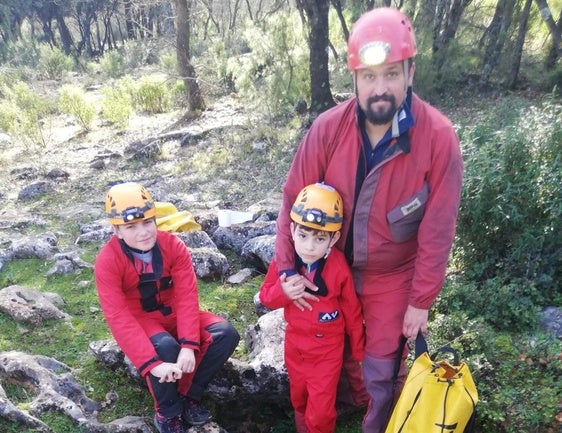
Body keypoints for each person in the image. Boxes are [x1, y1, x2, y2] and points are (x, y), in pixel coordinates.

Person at [273, 7, 464, 433]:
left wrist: (420, 301)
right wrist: (287, 270)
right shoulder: (326, 130)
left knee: (380, 366)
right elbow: (291, 202)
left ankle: (375, 423)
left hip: (392, 273)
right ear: (355, 78)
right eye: (370, 76)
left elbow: (437, 231)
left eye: (392, 74)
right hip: (328, 264)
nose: (381, 88)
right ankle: (330, 409)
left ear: (410, 73)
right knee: (326, 349)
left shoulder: (438, 139)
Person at [94, 182, 240, 433]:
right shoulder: (107, 262)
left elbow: (186, 297)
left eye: (148, 222)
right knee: (165, 347)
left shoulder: (174, 246)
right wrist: (152, 364)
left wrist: (189, 345)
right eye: (130, 226)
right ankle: (168, 411)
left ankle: (188, 396)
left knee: (225, 334)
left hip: (174, 314)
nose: (143, 232)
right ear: (116, 230)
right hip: (142, 320)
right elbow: (118, 317)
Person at [259, 183, 365, 433]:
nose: (309, 247)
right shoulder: (284, 262)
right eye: (303, 236)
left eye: (319, 239)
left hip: (327, 351)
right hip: (294, 345)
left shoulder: (338, 266)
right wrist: (282, 292)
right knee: (299, 398)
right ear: (292, 230)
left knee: (320, 408)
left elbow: (352, 310)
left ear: (334, 238)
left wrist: (359, 352)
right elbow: (265, 297)